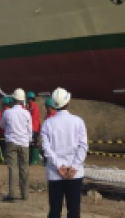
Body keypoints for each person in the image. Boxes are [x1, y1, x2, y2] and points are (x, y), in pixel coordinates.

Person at [42, 88, 88, 218]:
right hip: (75, 174)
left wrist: (59, 166)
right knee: (74, 210)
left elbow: (46, 149)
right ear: (68, 102)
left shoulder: (47, 123)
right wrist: (74, 167)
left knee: (55, 210)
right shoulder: (78, 121)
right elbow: (83, 146)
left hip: (55, 174)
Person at [0, 89, 33, 202]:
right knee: (24, 168)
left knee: (12, 168)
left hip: (11, 142)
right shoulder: (27, 113)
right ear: (23, 100)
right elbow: (30, 130)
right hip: (24, 143)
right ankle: (25, 194)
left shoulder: (7, 112)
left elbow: (2, 125)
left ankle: (12, 194)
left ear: (13, 100)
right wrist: (28, 140)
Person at [26, 92, 42, 165]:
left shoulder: (34, 107)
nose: (27, 100)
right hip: (31, 128)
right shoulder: (29, 107)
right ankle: (31, 159)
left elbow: (33, 118)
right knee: (30, 144)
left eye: (28, 99)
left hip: (34, 128)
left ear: (31, 99)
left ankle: (34, 160)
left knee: (34, 144)